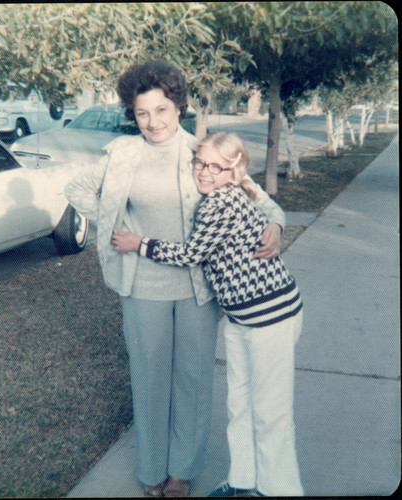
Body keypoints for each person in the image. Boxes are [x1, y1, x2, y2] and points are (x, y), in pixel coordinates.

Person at [65, 60, 285, 497]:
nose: (153, 122)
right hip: (142, 287)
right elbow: (77, 190)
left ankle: (182, 471)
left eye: (162, 110)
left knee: (193, 379)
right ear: (132, 113)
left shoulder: (202, 152)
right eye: (143, 113)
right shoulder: (123, 154)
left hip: (198, 290)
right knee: (148, 379)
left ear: (179, 107)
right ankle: (150, 471)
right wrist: (112, 226)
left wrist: (275, 225)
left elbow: (260, 201)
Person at [111, 131, 304, 497]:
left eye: (217, 167)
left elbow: (190, 254)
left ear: (235, 171)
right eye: (200, 163)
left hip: (270, 316)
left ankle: (281, 490)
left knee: (270, 412)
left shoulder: (221, 202)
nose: (205, 172)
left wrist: (139, 243)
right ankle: (244, 481)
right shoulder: (221, 195)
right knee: (241, 405)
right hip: (241, 317)